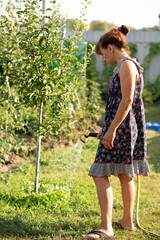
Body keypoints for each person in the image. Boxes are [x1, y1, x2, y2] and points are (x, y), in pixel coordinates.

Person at [82, 25, 149, 239]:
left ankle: (106, 228)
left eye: (103, 54)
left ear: (110, 48)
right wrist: (106, 126)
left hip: (121, 131)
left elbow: (128, 100)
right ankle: (127, 222)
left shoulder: (127, 66)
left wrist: (112, 131)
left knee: (98, 172)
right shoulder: (129, 65)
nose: (103, 59)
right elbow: (120, 102)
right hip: (122, 128)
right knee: (124, 173)